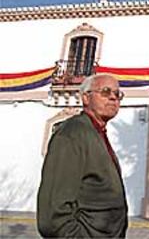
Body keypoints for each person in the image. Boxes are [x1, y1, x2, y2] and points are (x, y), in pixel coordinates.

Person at [37, 74, 128, 238]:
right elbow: (52, 216)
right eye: (106, 92)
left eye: (117, 94)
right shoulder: (72, 134)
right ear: (86, 97)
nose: (114, 97)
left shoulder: (96, 132)